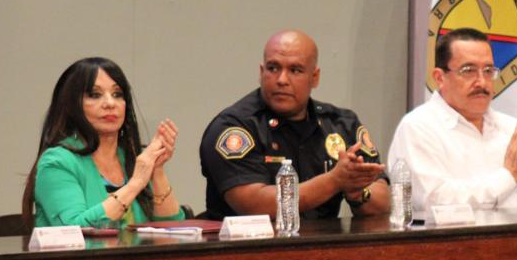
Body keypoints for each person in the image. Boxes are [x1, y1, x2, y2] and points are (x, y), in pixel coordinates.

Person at [200, 30, 389, 220]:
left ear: (314, 77)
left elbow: (384, 201)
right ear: (261, 72)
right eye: (273, 68)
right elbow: (253, 205)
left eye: (295, 70)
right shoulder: (235, 127)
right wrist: (335, 181)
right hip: (248, 239)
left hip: (323, 239)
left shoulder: (340, 124)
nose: (282, 80)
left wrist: (358, 193)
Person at [388, 27, 517, 210]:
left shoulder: (510, 127)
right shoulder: (418, 128)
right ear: (439, 78)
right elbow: (436, 202)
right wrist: (509, 175)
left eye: (488, 71)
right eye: (468, 70)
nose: (482, 82)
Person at [23, 57, 184, 229]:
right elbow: (74, 229)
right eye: (95, 95)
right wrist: (136, 183)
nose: (110, 103)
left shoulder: (133, 158)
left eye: (117, 94)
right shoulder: (58, 162)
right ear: (72, 105)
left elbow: (174, 230)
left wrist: (157, 170)